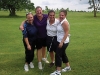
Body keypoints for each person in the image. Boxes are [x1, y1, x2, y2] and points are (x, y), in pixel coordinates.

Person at [50, 10, 71, 75]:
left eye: (63, 15)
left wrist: (62, 42)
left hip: (63, 42)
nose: (61, 16)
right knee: (63, 54)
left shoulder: (64, 22)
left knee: (58, 55)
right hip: (60, 40)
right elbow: (55, 18)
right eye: (60, 15)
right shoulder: (60, 20)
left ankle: (58, 71)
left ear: (65, 15)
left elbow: (67, 32)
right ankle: (68, 67)